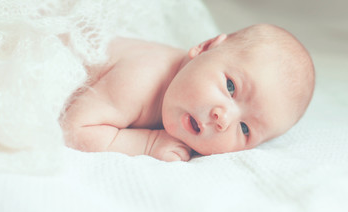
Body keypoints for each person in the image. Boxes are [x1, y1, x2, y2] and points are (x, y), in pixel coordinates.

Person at [59, 24, 315, 162]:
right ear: (205, 48)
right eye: (230, 87)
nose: (223, 118)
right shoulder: (141, 79)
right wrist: (149, 143)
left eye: (245, 129)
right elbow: (75, 129)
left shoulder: (181, 91)